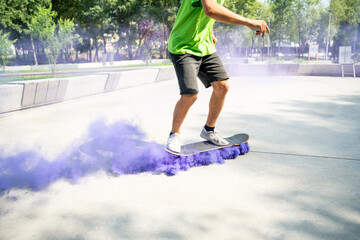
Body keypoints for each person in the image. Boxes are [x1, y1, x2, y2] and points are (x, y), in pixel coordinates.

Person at [166, 0, 270, 153]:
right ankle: (174, 134)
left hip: (204, 46)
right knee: (190, 95)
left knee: (222, 86)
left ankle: (209, 130)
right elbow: (211, 10)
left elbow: (204, 13)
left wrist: (209, 31)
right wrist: (249, 22)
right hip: (183, 46)